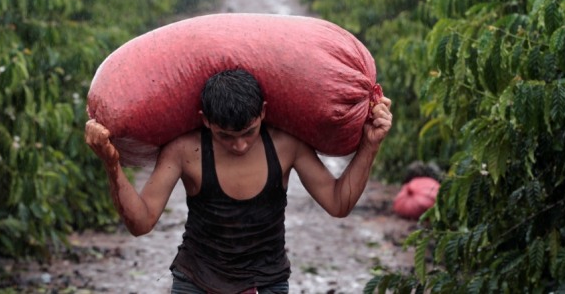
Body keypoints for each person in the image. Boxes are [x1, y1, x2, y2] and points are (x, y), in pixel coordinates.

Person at [85, 68, 393, 294]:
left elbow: (339, 203)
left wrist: (370, 145)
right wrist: (112, 165)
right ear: (205, 120)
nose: (240, 146)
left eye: (249, 132)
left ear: (263, 113)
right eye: (225, 136)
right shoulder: (184, 150)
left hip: (268, 282)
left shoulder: (287, 146)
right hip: (196, 281)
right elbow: (141, 223)